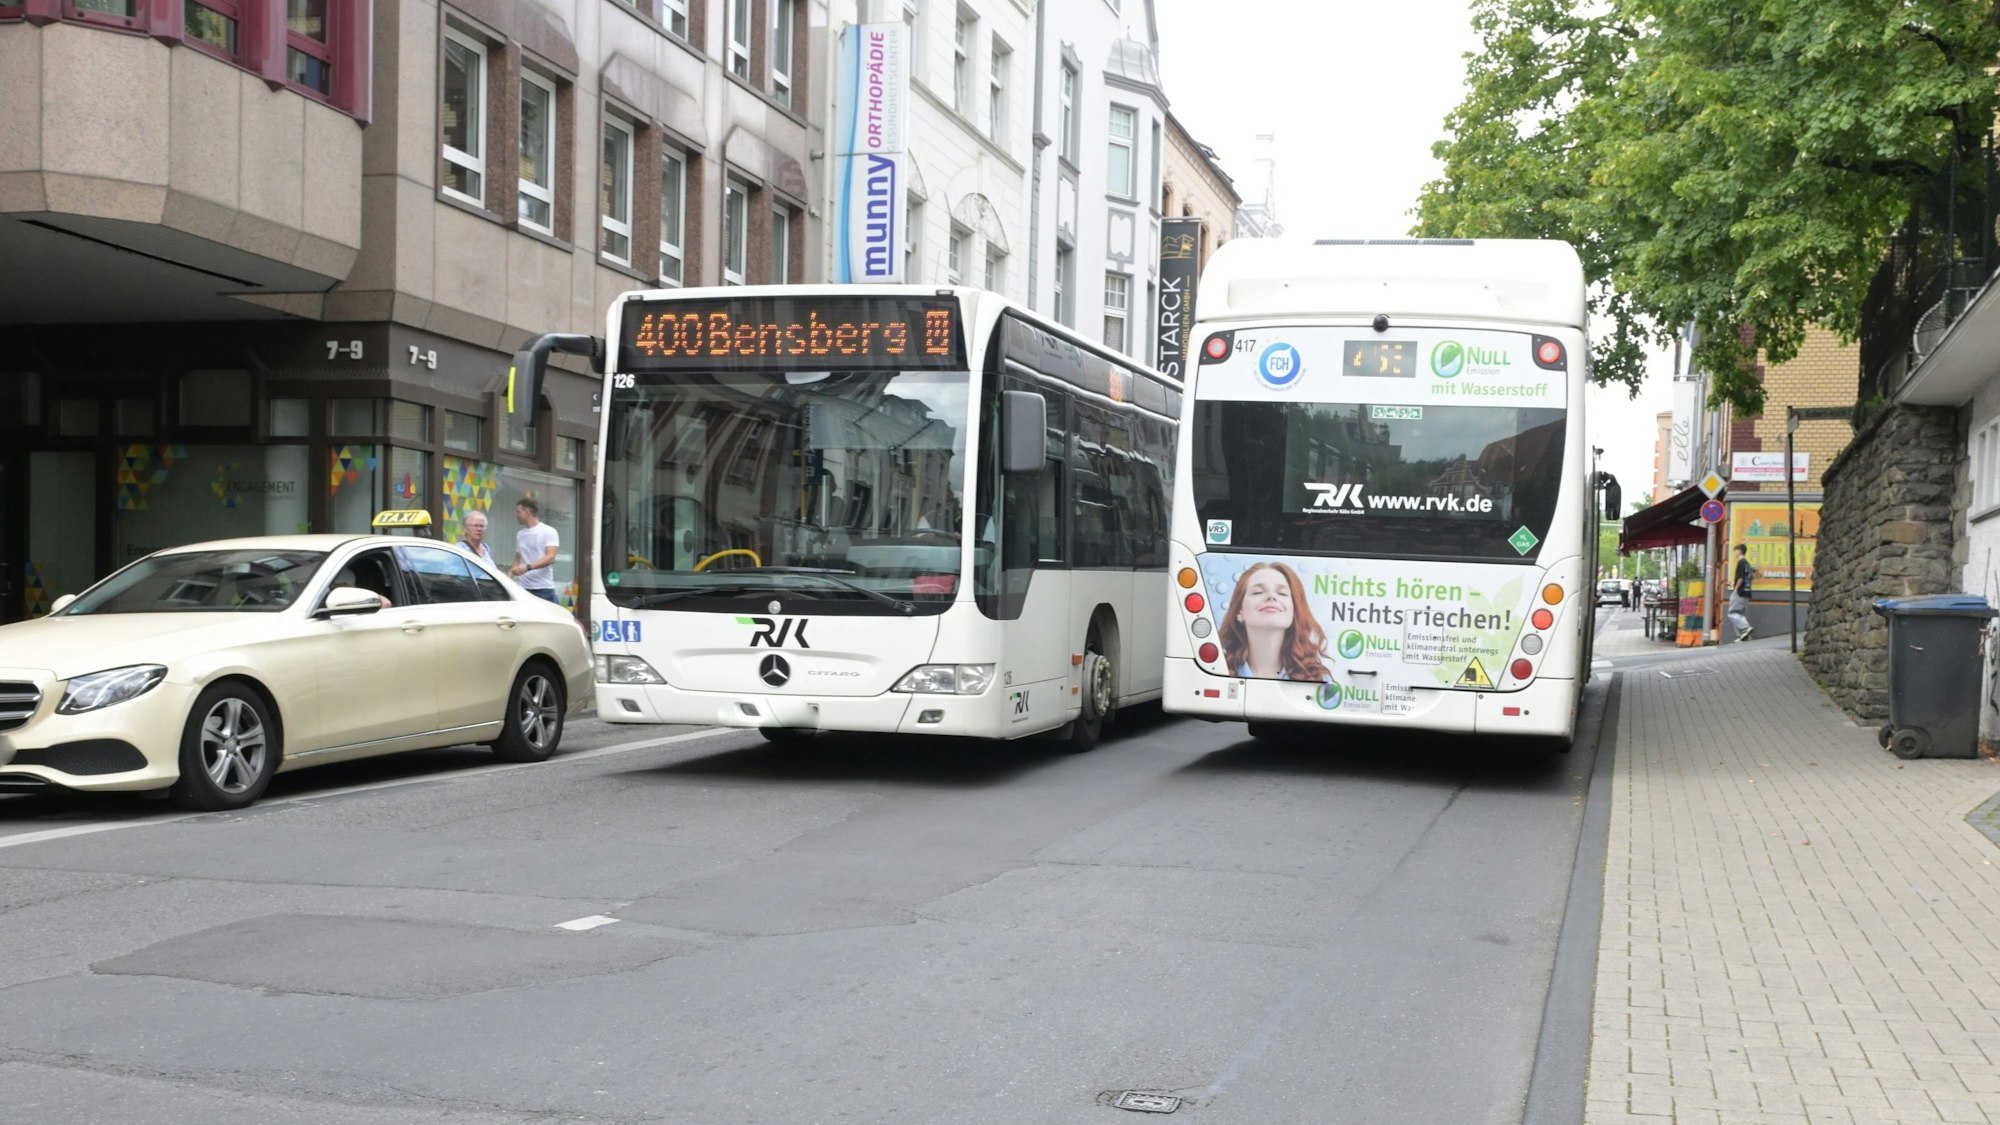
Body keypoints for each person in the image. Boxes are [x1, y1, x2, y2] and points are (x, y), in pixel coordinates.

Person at [1218, 561, 1332, 681]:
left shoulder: (1318, 678)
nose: (1271, 596)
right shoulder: (1218, 671)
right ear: (1239, 611)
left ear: (1294, 612)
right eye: (1258, 592)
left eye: (1282, 593)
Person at [510, 497, 560, 602]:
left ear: (527, 512)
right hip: (522, 588)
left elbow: (551, 558)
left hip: (542, 589)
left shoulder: (548, 531)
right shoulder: (520, 534)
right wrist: (507, 577)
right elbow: (518, 559)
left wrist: (527, 567)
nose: (516, 515)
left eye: (518, 512)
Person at [1727, 543, 1756, 642]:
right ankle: (1744, 636)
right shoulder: (1747, 564)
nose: (1735, 553)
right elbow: (1748, 577)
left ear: (1739, 551)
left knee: (1732, 613)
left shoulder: (1741, 562)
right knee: (1739, 615)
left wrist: (1735, 589)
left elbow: (1740, 578)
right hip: (1747, 592)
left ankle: (1746, 627)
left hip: (1740, 592)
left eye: (1735, 551)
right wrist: (1733, 583)